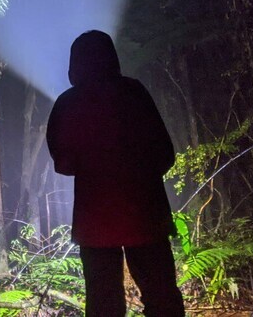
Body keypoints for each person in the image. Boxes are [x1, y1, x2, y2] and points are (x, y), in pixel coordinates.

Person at [46, 30, 184, 317]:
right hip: (146, 213)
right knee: (161, 297)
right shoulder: (134, 92)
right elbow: (165, 154)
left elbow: (63, 164)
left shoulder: (68, 103)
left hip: (95, 219)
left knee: (103, 302)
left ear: (75, 65)